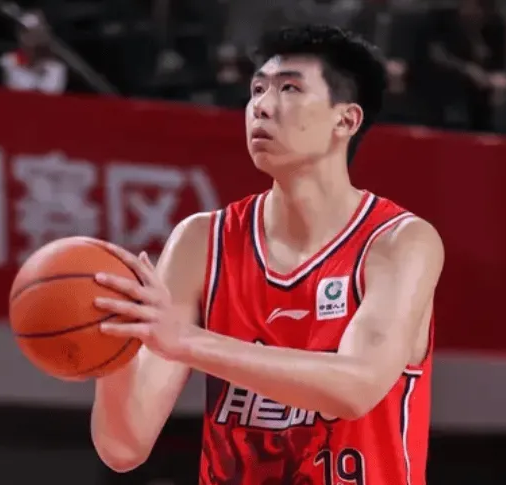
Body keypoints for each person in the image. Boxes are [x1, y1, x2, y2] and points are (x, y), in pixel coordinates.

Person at [90, 24, 444, 484]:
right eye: (257, 89)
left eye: (289, 88)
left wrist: (188, 341)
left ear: (345, 121)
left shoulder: (399, 242)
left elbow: (356, 387)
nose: (261, 105)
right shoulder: (202, 241)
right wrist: (111, 350)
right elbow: (123, 448)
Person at [0, 11, 67, 95]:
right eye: (25, 32)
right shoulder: (8, 61)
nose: (31, 37)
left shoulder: (56, 68)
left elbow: (52, 93)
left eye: (36, 32)